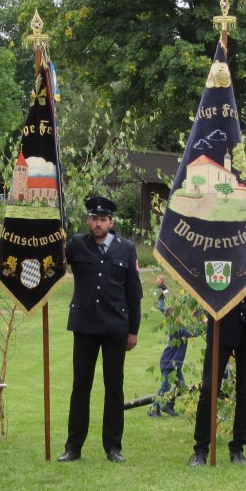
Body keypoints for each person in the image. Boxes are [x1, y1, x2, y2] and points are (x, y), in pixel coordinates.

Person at [58, 195, 143, 463]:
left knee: (114, 387)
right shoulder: (76, 245)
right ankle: (73, 448)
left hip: (115, 327)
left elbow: (134, 293)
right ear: (88, 220)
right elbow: (51, 256)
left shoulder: (126, 248)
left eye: (103, 219)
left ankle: (113, 447)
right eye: (94, 219)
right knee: (80, 387)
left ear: (111, 222)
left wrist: (133, 330)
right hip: (84, 326)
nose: (98, 224)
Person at [189, 265, 246, 466]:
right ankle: (201, 450)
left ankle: (237, 448)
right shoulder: (221, 252)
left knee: (245, 391)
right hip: (222, 327)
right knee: (209, 389)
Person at [148, 275, 191, 417]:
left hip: (174, 364)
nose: (180, 317)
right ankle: (154, 408)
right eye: (177, 315)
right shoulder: (176, 329)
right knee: (166, 386)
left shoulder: (177, 327)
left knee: (181, 386)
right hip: (168, 363)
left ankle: (168, 405)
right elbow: (192, 332)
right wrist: (206, 324)